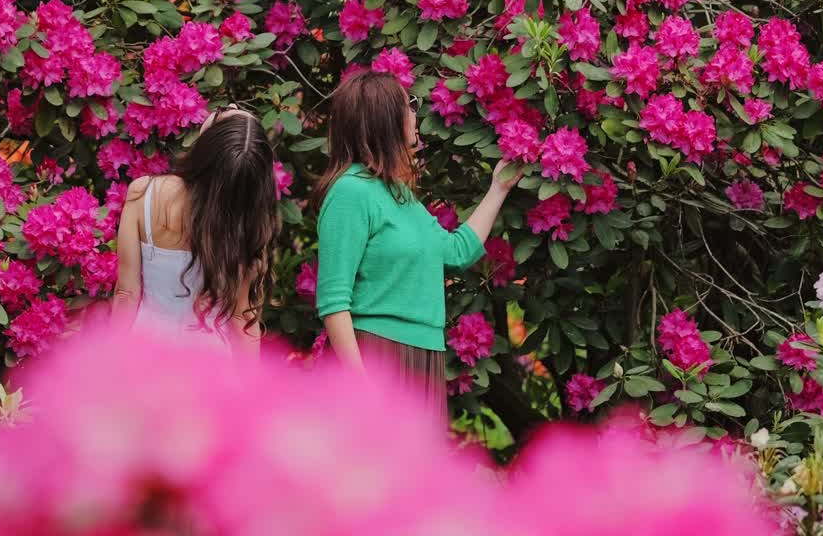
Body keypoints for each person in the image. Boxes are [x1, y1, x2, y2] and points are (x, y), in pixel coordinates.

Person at [314, 71, 520, 418]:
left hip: (424, 356)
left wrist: (499, 188)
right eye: (408, 105)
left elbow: (456, 252)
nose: (415, 113)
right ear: (384, 118)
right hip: (378, 355)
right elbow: (333, 301)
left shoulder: (399, 195)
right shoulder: (350, 191)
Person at [113, 105, 280, 358]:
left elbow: (126, 293)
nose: (232, 106)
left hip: (145, 355)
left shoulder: (144, 193)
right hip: (209, 365)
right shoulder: (244, 222)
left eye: (224, 112)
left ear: (208, 147)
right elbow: (241, 318)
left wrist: (108, 359)